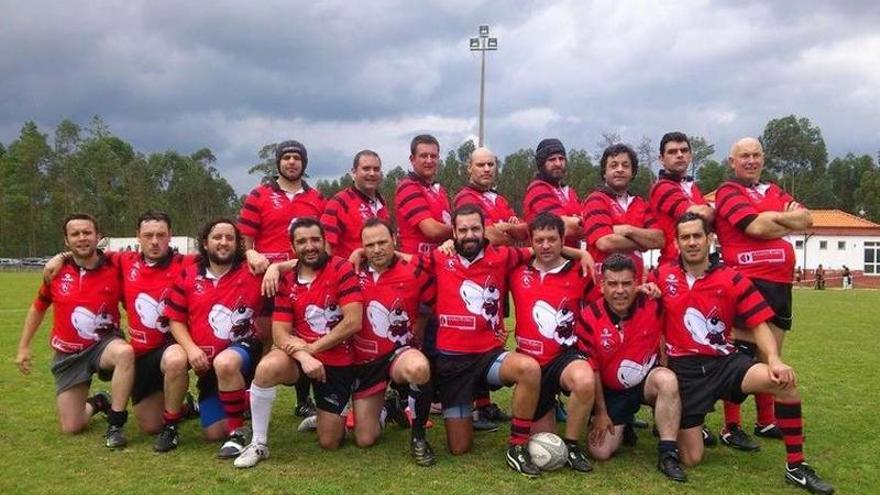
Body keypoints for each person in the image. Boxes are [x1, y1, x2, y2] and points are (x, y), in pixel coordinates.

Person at [660, 212, 834, 495]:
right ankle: (690, 423)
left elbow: (759, 323)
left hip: (724, 363)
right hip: (685, 372)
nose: (691, 242)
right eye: (685, 237)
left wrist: (774, 359)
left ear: (709, 239)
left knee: (784, 383)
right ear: (677, 243)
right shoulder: (662, 274)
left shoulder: (732, 278)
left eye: (697, 236)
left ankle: (796, 467)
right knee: (692, 458)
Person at [419, 204, 543, 476]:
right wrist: (359, 252)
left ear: (484, 229)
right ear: (453, 232)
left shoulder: (502, 256)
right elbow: (399, 260)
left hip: (489, 357)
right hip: (452, 364)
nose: (470, 235)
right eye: (462, 230)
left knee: (529, 369)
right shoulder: (439, 258)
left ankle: (518, 445)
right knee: (459, 448)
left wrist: (580, 252)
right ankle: (469, 410)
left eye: (475, 228)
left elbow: (542, 249)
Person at [234, 217, 363, 468]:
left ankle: (327, 417)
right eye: (302, 241)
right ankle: (259, 443)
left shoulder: (341, 269)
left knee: (330, 442)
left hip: (335, 358)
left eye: (315, 240)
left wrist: (313, 349)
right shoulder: (287, 279)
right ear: (293, 247)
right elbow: (280, 333)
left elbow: (353, 322)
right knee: (266, 367)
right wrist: (305, 356)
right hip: (299, 356)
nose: (310, 246)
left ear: (325, 242)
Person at [713, 137, 814, 451]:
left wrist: (771, 219)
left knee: (771, 356)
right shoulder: (728, 192)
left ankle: (765, 420)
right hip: (746, 282)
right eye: (744, 156)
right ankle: (731, 426)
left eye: (756, 155)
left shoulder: (773, 190)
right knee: (741, 358)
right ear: (732, 161)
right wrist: (780, 220)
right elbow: (753, 227)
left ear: (763, 159)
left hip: (779, 286)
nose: (751, 161)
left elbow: (807, 218)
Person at [16, 213, 135, 449]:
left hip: (104, 344)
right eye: (75, 234)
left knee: (125, 353)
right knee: (72, 426)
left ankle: (116, 422)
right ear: (66, 240)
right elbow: (38, 307)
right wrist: (23, 347)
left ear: (98, 236)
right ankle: (100, 402)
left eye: (87, 232)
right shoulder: (56, 272)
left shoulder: (115, 265)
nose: (82, 238)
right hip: (69, 355)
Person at [237, 139, 325, 419]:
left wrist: (283, 265)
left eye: (297, 158)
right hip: (264, 279)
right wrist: (251, 255)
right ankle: (252, 395)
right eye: (286, 157)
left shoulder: (317, 197)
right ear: (278, 162)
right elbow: (245, 239)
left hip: (301, 276)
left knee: (304, 332)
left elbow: (322, 243)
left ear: (304, 163)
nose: (291, 162)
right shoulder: (259, 194)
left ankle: (303, 400)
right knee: (263, 336)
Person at [164, 218, 265, 459]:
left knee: (226, 363)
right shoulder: (188, 275)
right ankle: (229, 405)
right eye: (217, 237)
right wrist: (190, 350)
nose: (223, 242)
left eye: (230, 238)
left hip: (243, 351)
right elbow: (175, 319)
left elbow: (296, 267)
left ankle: (238, 432)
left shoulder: (252, 271)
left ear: (238, 243)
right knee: (212, 432)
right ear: (205, 243)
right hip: (206, 363)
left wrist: (268, 265)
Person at [582, 254, 686, 482]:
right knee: (600, 452)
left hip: (645, 383)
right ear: (602, 286)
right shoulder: (589, 316)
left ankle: (668, 452)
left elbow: (683, 302)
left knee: (667, 379)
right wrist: (601, 412)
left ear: (637, 283)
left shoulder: (653, 304)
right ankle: (624, 420)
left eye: (627, 283)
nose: (620, 290)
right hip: (612, 391)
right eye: (613, 284)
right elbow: (593, 369)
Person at [509, 212, 598, 473]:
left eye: (552, 239)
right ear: (531, 242)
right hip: (531, 366)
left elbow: (601, 310)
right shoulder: (516, 271)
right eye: (539, 240)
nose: (546, 245)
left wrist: (583, 255)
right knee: (545, 439)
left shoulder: (581, 271)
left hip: (564, 356)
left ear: (563, 241)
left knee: (584, 379)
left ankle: (571, 445)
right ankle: (547, 415)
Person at [454, 146, 527, 430]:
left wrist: (508, 229)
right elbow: (489, 234)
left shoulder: (499, 198)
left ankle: (484, 406)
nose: (486, 169)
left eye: (491, 165)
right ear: (469, 168)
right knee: (476, 335)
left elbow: (521, 231)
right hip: (474, 277)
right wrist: (504, 230)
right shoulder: (465, 197)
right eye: (481, 164)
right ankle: (473, 407)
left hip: (497, 276)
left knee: (494, 336)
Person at [350, 219, 434, 464]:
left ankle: (419, 437)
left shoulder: (413, 270)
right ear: (362, 247)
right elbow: (307, 266)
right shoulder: (350, 269)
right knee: (365, 439)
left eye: (382, 242)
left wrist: (420, 324)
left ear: (394, 241)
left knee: (418, 368)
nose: (377, 249)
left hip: (400, 352)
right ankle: (389, 408)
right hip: (365, 359)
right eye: (370, 244)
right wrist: (275, 268)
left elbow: (434, 300)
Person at [583, 143, 665, 283]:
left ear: (633, 172)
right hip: (603, 287)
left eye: (625, 165)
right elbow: (605, 243)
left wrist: (628, 231)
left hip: (635, 284)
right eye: (614, 165)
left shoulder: (640, 203)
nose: (620, 169)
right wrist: (643, 242)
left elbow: (659, 239)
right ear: (604, 172)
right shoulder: (596, 199)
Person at [648, 132, 713, 267]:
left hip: (698, 264)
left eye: (684, 150)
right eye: (672, 152)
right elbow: (699, 215)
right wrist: (713, 211)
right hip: (674, 265)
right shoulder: (662, 187)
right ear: (661, 159)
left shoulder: (692, 187)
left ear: (690, 156)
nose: (679, 155)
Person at [320, 150, 390, 259]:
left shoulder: (382, 202)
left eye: (376, 169)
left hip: (380, 272)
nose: (372, 173)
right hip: (351, 272)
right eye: (366, 169)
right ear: (354, 172)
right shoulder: (339, 202)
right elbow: (325, 246)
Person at [394, 134, 453, 256]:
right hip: (415, 266)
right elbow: (432, 230)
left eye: (433, 156)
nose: (429, 160)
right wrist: (466, 231)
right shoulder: (408, 187)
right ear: (412, 159)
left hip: (438, 262)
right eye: (423, 156)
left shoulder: (439, 190)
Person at [522, 138, 583, 247]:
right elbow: (564, 227)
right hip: (547, 259)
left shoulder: (570, 192)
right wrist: (595, 228)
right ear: (541, 164)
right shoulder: (537, 189)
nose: (558, 163)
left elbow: (579, 224)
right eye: (552, 160)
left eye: (561, 158)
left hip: (572, 259)